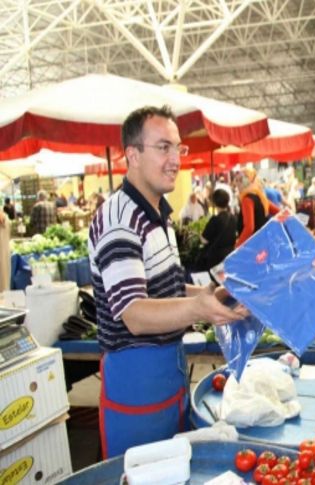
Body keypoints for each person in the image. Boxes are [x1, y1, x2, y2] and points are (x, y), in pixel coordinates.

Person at [88, 105, 245, 458]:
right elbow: (135, 313)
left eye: (178, 148)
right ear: (132, 155)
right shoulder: (119, 219)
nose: (175, 159)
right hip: (136, 382)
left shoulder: (157, 212)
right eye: (163, 147)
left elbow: (167, 287)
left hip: (169, 372)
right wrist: (197, 308)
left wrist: (212, 294)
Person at [235, 167, 277, 247]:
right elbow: (279, 211)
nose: (237, 184)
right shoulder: (260, 196)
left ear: (247, 181)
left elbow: (249, 228)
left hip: (253, 245)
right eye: (236, 180)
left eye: (240, 180)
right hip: (264, 241)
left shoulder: (247, 200)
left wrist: (237, 247)